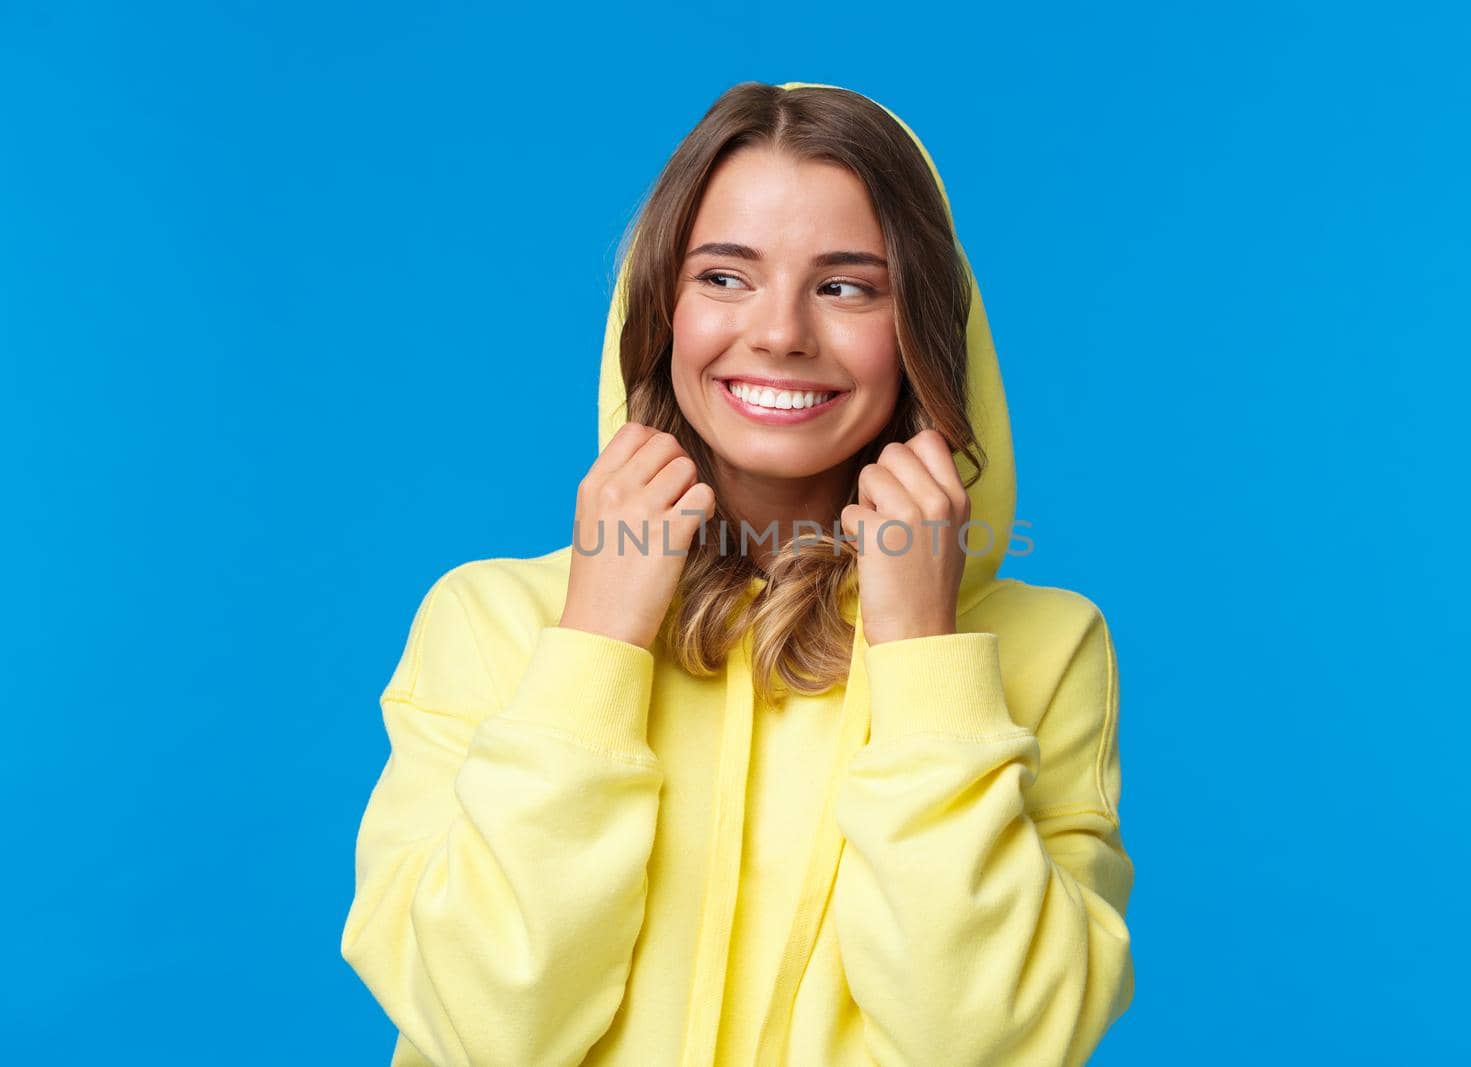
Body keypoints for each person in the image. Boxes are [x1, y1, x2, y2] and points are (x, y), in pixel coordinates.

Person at [340, 80, 1135, 1067]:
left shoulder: (1044, 649)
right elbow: (484, 1026)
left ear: (922, 325)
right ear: (659, 308)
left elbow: (986, 1042)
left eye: (846, 284)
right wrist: (594, 645)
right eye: (724, 276)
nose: (779, 332)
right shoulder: (491, 621)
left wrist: (927, 662)